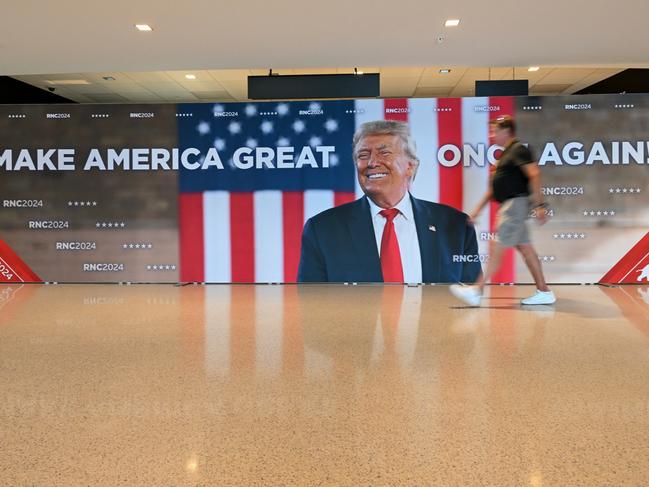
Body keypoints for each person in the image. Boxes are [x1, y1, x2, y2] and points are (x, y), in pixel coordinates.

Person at [297, 120, 480, 283]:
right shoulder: (322, 229)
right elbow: (310, 305)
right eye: (363, 155)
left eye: (384, 153)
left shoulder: (456, 225)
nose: (372, 162)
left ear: (410, 166)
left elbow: (470, 298)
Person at [450, 115, 556, 306]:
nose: (491, 135)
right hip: (510, 205)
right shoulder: (504, 156)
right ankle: (544, 291)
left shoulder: (518, 149)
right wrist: (477, 211)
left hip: (515, 205)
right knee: (526, 249)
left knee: (496, 246)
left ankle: (477, 290)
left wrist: (540, 205)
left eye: (495, 131)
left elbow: (534, 174)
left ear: (506, 131)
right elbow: (493, 189)